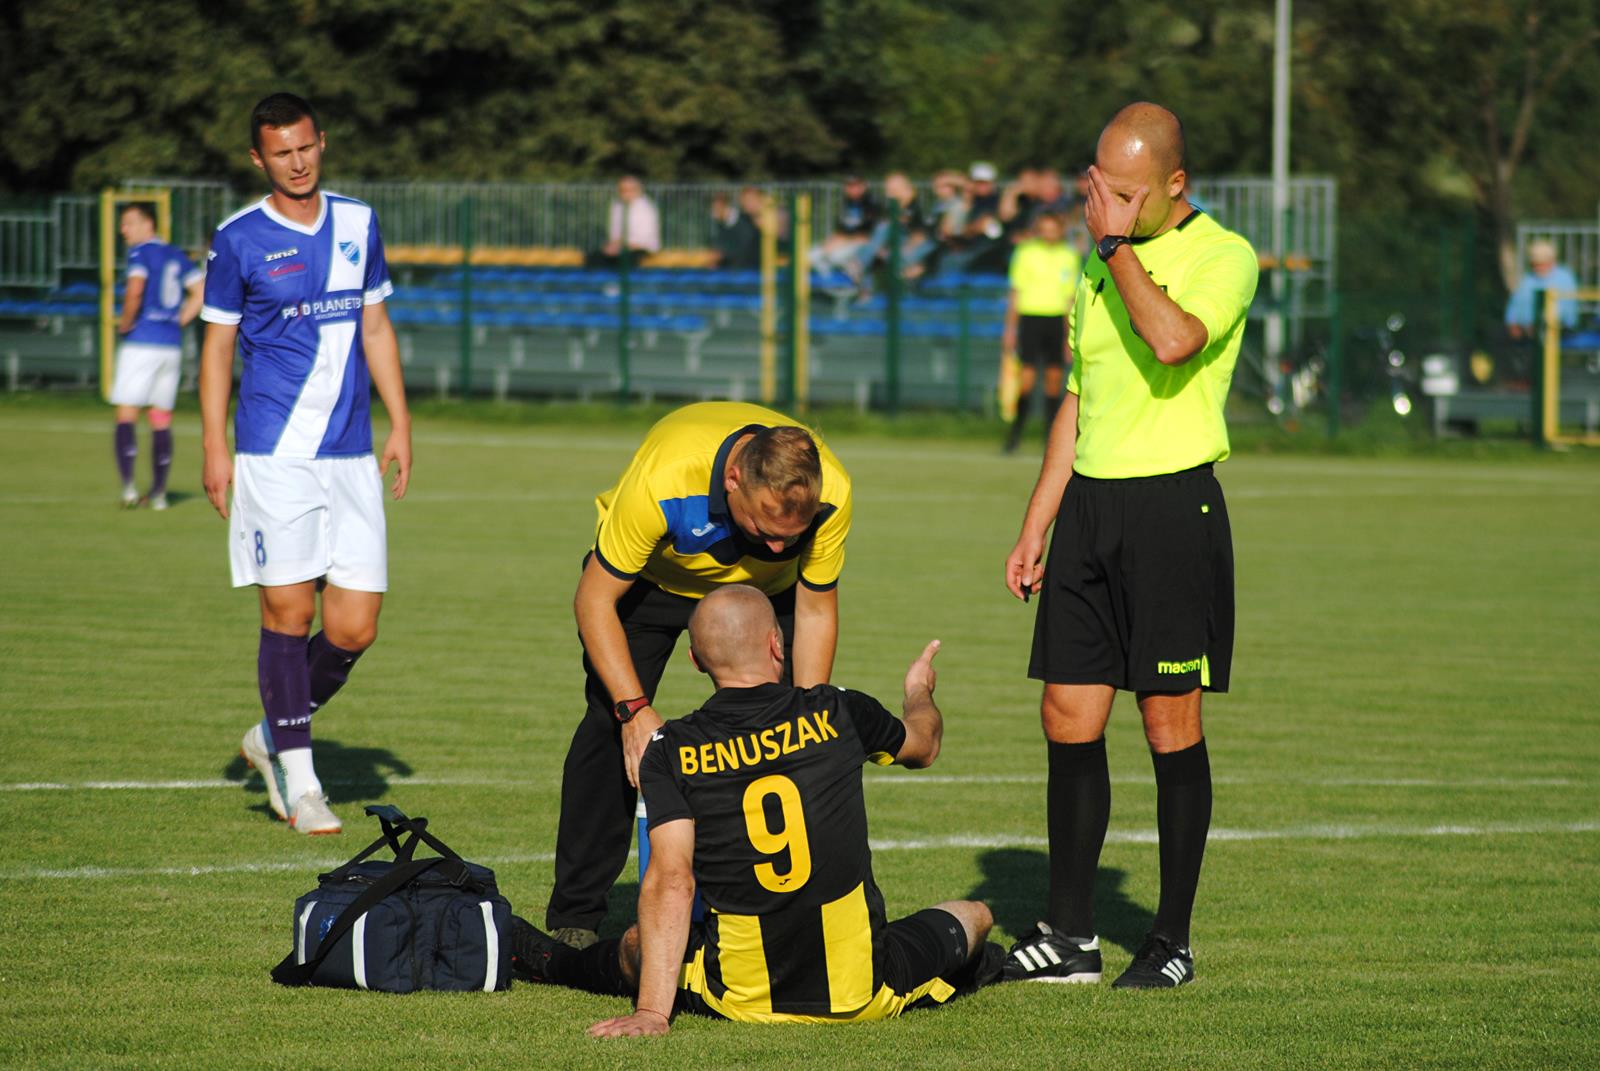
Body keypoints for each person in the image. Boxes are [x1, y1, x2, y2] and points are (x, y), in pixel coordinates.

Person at [1001, 102, 1258, 988]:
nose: (1101, 203)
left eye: (1125, 193)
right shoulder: (1094, 267)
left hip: (1171, 514)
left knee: (1167, 722)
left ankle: (1171, 939)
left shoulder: (1224, 255)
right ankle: (1068, 935)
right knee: (1066, 717)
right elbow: (1079, 398)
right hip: (1090, 516)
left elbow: (1176, 339)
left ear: (1174, 185)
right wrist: (1038, 521)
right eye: (1096, 184)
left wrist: (1117, 252)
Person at [512, 585, 1004, 1034]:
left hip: (738, 997)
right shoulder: (839, 710)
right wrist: (919, 690)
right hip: (859, 993)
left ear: (696, 661)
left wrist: (651, 1013)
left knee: (636, 944)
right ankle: (998, 965)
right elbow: (925, 745)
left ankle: (553, 962)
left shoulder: (670, 747)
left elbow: (672, 879)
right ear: (776, 644)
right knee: (974, 914)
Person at [546, 402, 852, 951]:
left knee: (785, 738)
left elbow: (815, 608)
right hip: (649, 586)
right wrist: (633, 712)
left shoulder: (830, 491)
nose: (779, 545)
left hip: (764, 597)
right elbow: (594, 600)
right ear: (733, 479)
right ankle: (577, 917)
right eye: (763, 525)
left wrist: (808, 705)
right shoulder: (665, 475)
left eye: (792, 535)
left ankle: (772, 908)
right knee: (606, 728)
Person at [199, 92, 412, 837]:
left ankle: (269, 733)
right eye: (280, 153)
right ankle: (302, 777)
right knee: (288, 613)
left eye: (306, 147)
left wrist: (400, 423)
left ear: (322, 140)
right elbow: (218, 347)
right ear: (258, 159)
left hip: (352, 453)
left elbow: (376, 325)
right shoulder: (237, 239)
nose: (297, 162)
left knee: (354, 627)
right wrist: (214, 446)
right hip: (273, 452)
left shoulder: (358, 222)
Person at [108, 203, 203, 509]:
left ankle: (129, 490)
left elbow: (135, 290)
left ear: (147, 224)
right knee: (161, 418)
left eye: (129, 223)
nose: (124, 230)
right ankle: (160, 494)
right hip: (170, 345)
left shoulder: (140, 253)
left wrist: (125, 324)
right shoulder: (177, 254)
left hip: (141, 343)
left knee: (127, 414)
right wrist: (178, 320)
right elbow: (201, 293)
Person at [1002, 212, 1081, 453]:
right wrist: (1010, 329)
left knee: (1054, 382)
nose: (1048, 233)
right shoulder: (1026, 253)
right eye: (1044, 228)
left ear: (1060, 230)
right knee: (1025, 381)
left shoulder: (1069, 255)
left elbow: (1070, 298)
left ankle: (1050, 438)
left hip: (1056, 321)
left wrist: (1070, 336)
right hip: (1031, 319)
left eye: (1052, 229)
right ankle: (1014, 436)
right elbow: (1015, 293)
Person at [1504, 239, 1578, 340]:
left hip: (1557, 328)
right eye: (1535, 264)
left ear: (1552, 261)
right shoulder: (1528, 279)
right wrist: (1512, 322)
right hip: (1528, 329)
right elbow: (1515, 303)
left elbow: (1566, 311)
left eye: (1542, 263)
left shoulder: (1565, 278)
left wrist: (1538, 324)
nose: (1538, 267)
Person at [589, 176, 661, 268]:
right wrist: (613, 245)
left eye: (630, 190)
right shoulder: (616, 206)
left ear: (638, 190)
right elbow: (613, 231)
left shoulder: (646, 208)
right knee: (594, 257)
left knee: (625, 260)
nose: (626, 193)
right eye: (622, 190)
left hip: (642, 248)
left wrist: (625, 246)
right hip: (620, 247)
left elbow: (645, 237)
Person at [708, 189, 761, 270]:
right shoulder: (720, 224)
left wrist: (722, 254)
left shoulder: (744, 222)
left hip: (748, 270)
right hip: (733, 271)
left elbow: (745, 249)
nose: (712, 212)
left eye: (715, 208)